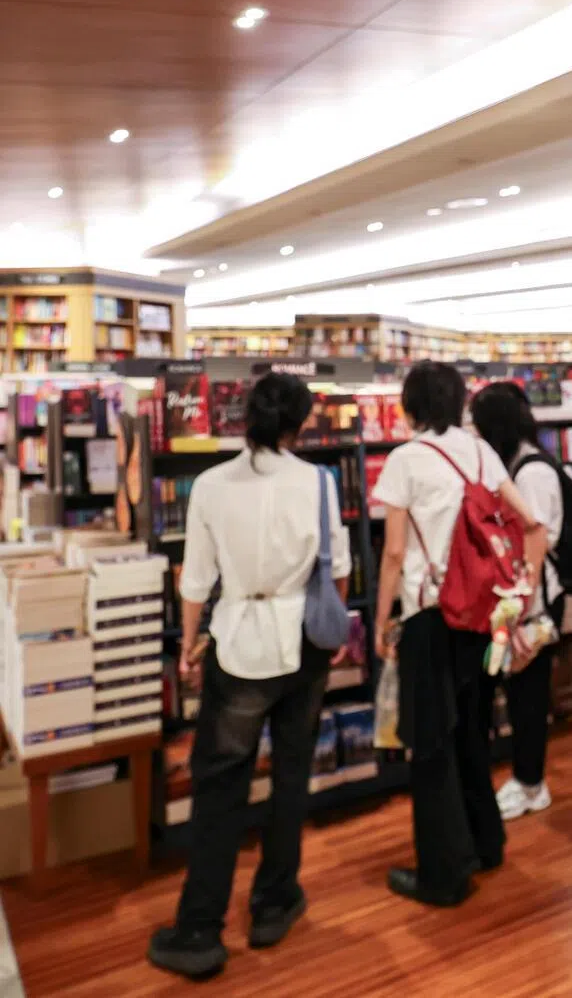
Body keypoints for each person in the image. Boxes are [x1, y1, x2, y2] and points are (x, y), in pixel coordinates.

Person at [148, 373, 351, 981]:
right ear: (301, 423)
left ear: (244, 420)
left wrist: (187, 643)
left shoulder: (210, 485)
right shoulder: (319, 482)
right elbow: (336, 565)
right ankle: (273, 902)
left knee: (220, 783)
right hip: (304, 644)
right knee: (292, 776)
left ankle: (200, 927)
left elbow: (196, 579)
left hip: (238, 641)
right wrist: (334, 631)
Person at [373, 362, 546, 908]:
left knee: (430, 742)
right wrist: (523, 593)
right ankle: (485, 842)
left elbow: (395, 552)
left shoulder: (405, 460)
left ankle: (443, 874)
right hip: (482, 612)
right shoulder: (480, 451)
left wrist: (382, 620)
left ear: (409, 405)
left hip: (430, 614)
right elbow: (532, 523)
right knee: (472, 729)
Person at [470, 382, 564, 820]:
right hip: (526, 599)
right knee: (522, 691)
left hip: (535, 603)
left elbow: (536, 542)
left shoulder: (531, 473)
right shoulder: (521, 466)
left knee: (529, 696)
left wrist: (525, 612)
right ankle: (526, 780)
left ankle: (532, 784)